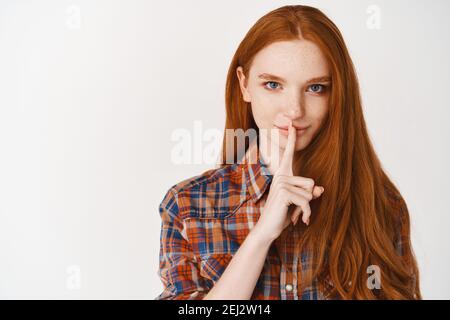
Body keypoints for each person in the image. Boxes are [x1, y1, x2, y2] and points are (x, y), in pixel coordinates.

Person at [155, 4, 421, 300]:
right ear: (244, 85)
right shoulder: (189, 207)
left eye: (316, 88)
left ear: (337, 94)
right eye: (273, 84)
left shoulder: (381, 205)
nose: (294, 110)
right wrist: (261, 236)